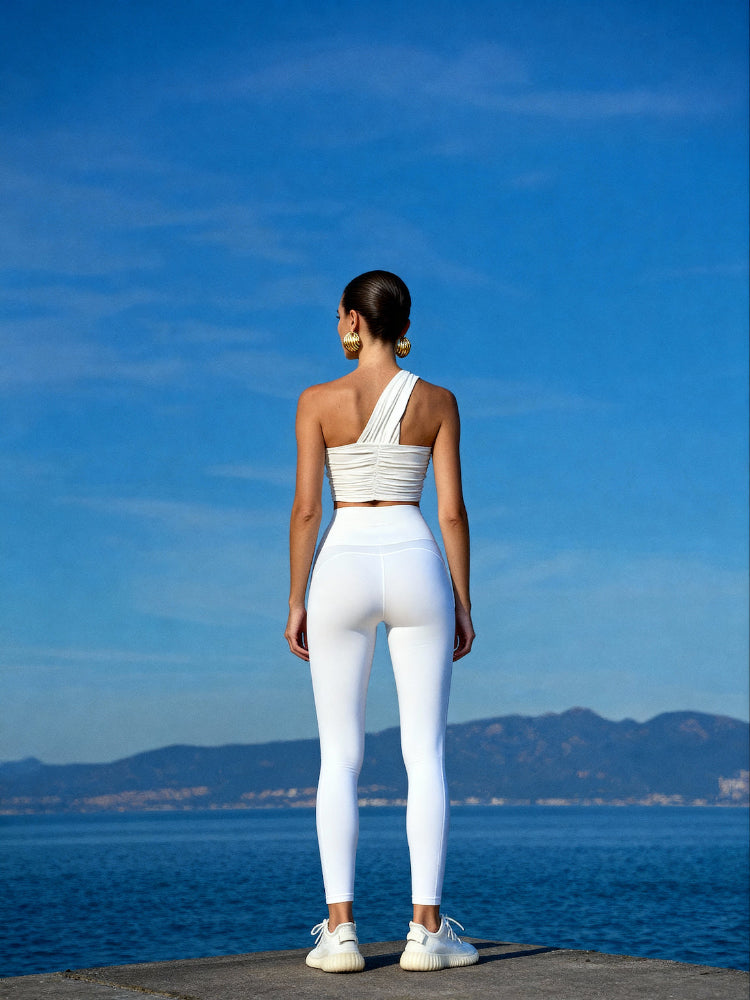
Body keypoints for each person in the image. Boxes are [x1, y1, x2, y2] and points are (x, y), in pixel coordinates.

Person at [284, 270, 478, 974]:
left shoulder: (317, 402)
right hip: (415, 557)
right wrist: (462, 599)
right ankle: (426, 932)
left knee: (339, 757)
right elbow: (451, 510)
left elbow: (307, 509)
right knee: (424, 755)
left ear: (349, 320)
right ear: (402, 322)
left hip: (341, 561)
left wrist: (296, 597)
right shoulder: (438, 401)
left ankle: (340, 933)